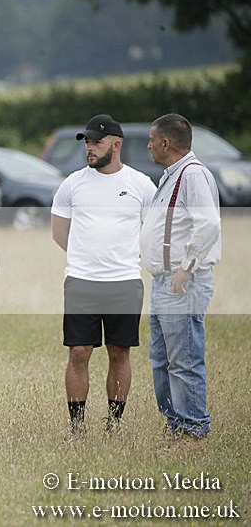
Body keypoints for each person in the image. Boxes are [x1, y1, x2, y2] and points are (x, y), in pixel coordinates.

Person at [51, 114, 157, 436]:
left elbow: (152, 232)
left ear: (116, 144)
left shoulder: (140, 185)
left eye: (97, 142)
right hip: (82, 281)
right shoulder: (72, 184)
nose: (90, 148)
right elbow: (59, 233)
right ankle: (77, 427)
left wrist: (121, 259)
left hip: (124, 282)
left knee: (119, 352)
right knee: (79, 352)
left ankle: (113, 425)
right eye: (87, 142)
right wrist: (88, 258)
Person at [140, 113, 221, 440]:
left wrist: (185, 268)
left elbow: (209, 225)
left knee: (184, 361)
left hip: (182, 283)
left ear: (165, 142)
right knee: (161, 362)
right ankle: (176, 426)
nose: (148, 145)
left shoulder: (192, 175)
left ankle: (193, 430)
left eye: (151, 139)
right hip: (163, 283)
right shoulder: (171, 175)